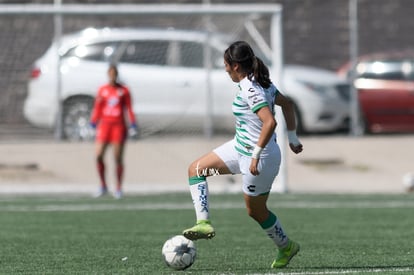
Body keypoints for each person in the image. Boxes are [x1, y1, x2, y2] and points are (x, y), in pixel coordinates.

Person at [182, 41, 303, 268]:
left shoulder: (251, 88)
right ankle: (203, 223)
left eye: (226, 64)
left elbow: (270, 121)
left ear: (236, 66)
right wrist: (293, 138)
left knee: (255, 211)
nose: (225, 68)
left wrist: (256, 155)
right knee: (196, 170)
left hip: (261, 158)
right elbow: (287, 105)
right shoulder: (259, 82)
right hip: (240, 148)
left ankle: (287, 247)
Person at [89, 64, 138, 199]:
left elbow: (129, 108)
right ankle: (103, 185)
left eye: (114, 74)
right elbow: (97, 108)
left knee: (117, 158)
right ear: (107, 75)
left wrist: (133, 124)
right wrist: (93, 122)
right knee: (98, 155)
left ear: (116, 75)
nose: (112, 76)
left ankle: (118, 188)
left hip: (118, 127)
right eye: (110, 74)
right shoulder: (102, 90)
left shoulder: (123, 90)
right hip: (105, 126)